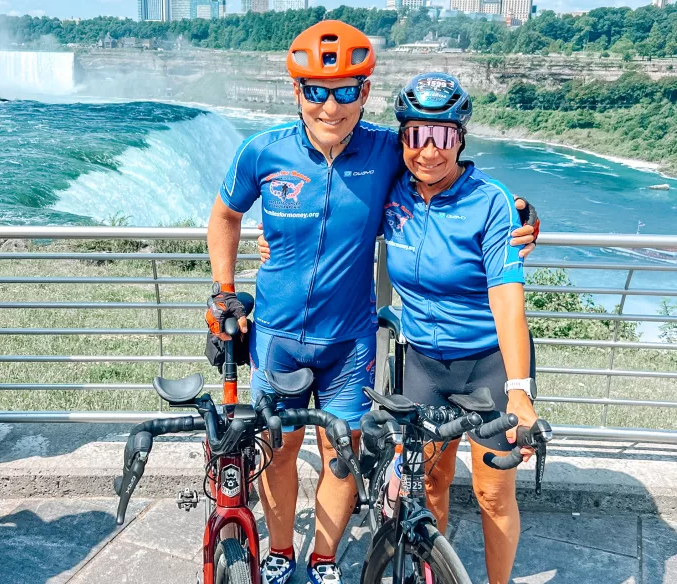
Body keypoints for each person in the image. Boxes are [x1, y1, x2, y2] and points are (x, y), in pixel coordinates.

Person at [207, 22, 538, 584]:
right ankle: (283, 552)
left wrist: (521, 214)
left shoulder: (390, 150)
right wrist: (223, 289)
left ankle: (324, 558)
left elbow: (457, 180)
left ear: (364, 92)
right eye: (316, 90)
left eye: (344, 91)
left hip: (350, 340)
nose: (330, 106)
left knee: (341, 455)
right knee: (279, 450)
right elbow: (225, 216)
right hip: (276, 337)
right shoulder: (263, 151)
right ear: (297, 91)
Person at [385, 72, 539, 584]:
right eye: (417, 135)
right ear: (402, 137)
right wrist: (271, 241)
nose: (429, 151)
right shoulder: (390, 193)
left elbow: (506, 297)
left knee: (494, 493)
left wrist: (519, 391)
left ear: (461, 138)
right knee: (429, 484)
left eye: (443, 136)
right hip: (423, 364)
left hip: (487, 364)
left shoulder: (491, 201)